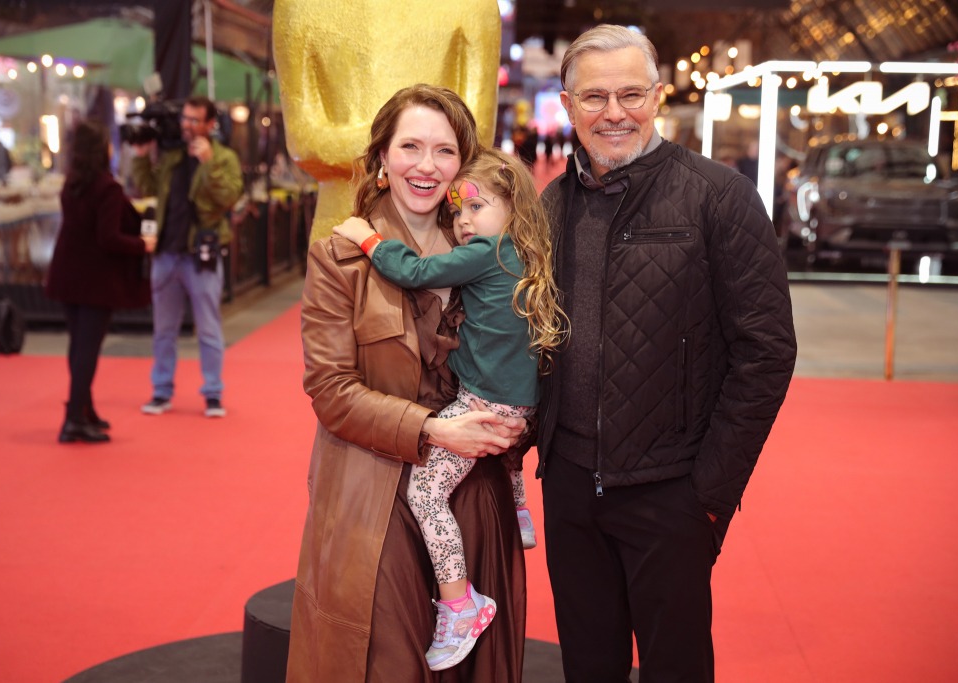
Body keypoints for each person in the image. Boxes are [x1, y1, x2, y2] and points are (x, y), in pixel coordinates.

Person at [538, 25, 797, 682]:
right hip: (569, 486)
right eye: (594, 97)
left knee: (674, 668)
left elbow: (765, 352)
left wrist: (708, 493)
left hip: (671, 490)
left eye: (631, 93)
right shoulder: (551, 205)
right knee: (587, 665)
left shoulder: (719, 196)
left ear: (657, 96)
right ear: (567, 106)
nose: (614, 113)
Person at [287, 84, 530, 683]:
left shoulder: (495, 251)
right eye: (410, 147)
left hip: (475, 491)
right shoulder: (338, 257)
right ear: (380, 160)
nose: (426, 165)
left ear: (463, 167)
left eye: (444, 151)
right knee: (389, 660)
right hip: (374, 492)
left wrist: (520, 427)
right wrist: (434, 429)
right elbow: (330, 390)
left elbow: (536, 355)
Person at [334, 148, 567, 671]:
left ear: (513, 207)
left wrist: (367, 238)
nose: (464, 222)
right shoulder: (530, 254)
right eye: (457, 212)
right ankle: (518, 502)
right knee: (499, 445)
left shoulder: (488, 251)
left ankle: (461, 603)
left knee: (426, 492)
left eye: (476, 207)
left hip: (484, 404)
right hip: (521, 406)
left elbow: (416, 270)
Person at [131, 96, 242, 418]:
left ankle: (212, 393)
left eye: (195, 120)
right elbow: (147, 186)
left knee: (208, 330)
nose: (187, 125)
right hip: (167, 254)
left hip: (200, 255)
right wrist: (140, 158)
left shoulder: (224, 157)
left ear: (210, 124)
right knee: (163, 330)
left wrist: (208, 164)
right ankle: (161, 391)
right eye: (185, 119)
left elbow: (229, 196)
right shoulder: (171, 155)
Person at [45, 120, 153, 443]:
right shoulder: (107, 187)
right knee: (87, 350)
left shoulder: (72, 183)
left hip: (68, 275)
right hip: (94, 281)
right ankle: (73, 419)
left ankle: (84, 408)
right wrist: (143, 245)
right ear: (101, 149)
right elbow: (109, 239)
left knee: (78, 346)